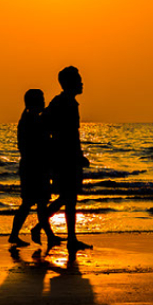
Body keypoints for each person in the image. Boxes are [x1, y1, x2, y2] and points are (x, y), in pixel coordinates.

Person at [43, 66, 93, 259]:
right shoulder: (64, 103)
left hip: (68, 156)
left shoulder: (67, 103)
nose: (82, 83)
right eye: (78, 80)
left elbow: (72, 134)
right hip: (65, 158)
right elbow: (68, 134)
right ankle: (41, 226)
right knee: (67, 197)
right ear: (69, 83)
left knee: (69, 198)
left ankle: (71, 238)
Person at [8, 89, 60, 251]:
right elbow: (42, 143)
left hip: (30, 166)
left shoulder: (27, 119)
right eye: (42, 99)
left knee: (32, 203)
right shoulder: (32, 121)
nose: (44, 102)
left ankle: (19, 234)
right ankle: (47, 235)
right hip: (35, 167)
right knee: (38, 203)